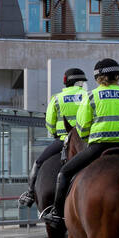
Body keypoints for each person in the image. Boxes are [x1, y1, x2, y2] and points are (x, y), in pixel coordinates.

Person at [42, 59, 119, 228]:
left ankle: (57, 213)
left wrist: (87, 138)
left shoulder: (91, 96)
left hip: (99, 146)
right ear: (117, 76)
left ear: (98, 78)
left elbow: (83, 127)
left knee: (64, 173)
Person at [19, 67, 87, 208]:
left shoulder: (57, 99)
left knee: (38, 162)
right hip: (85, 141)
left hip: (63, 140)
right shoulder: (87, 96)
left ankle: (30, 193)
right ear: (80, 83)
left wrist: (55, 133)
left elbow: (49, 122)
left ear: (66, 82)